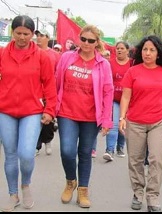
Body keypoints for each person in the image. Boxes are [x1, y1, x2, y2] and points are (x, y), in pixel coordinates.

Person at [0, 15, 57, 212]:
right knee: (10, 154)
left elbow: (50, 84)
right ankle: (12, 194)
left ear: (33, 34)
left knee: (26, 154)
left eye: (26, 34)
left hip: (32, 111)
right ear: (12, 32)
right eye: (18, 33)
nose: (22, 37)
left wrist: (50, 110)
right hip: (5, 110)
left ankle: (26, 184)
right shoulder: (2, 54)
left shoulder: (42, 56)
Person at [55, 24, 113, 208]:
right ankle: (70, 181)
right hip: (67, 113)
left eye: (91, 40)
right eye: (84, 39)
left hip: (90, 116)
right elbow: (57, 81)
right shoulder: (67, 57)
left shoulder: (103, 64)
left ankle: (83, 190)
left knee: (85, 153)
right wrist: (51, 107)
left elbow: (107, 92)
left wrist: (106, 119)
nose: (86, 43)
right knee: (67, 151)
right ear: (79, 39)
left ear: (97, 43)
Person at [119, 35, 162, 212]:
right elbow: (126, 96)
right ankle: (138, 192)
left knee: (156, 160)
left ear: (158, 53)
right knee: (135, 160)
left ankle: (153, 196)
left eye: (152, 50)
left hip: (158, 122)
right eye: (145, 49)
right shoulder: (133, 72)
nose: (148, 53)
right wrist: (122, 117)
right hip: (135, 122)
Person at [102, 41, 131, 161]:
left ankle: (120, 147)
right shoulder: (110, 63)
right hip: (113, 99)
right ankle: (109, 150)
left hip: (128, 99)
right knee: (113, 124)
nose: (119, 50)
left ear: (127, 50)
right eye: (117, 48)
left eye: (122, 48)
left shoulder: (132, 64)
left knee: (123, 125)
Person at [35, 28, 61, 156]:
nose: (39, 37)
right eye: (38, 35)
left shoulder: (55, 55)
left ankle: (48, 140)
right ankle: (37, 145)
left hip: (49, 92)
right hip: (35, 92)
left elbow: (59, 74)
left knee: (48, 120)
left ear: (48, 38)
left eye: (42, 35)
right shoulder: (32, 52)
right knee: (35, 119)